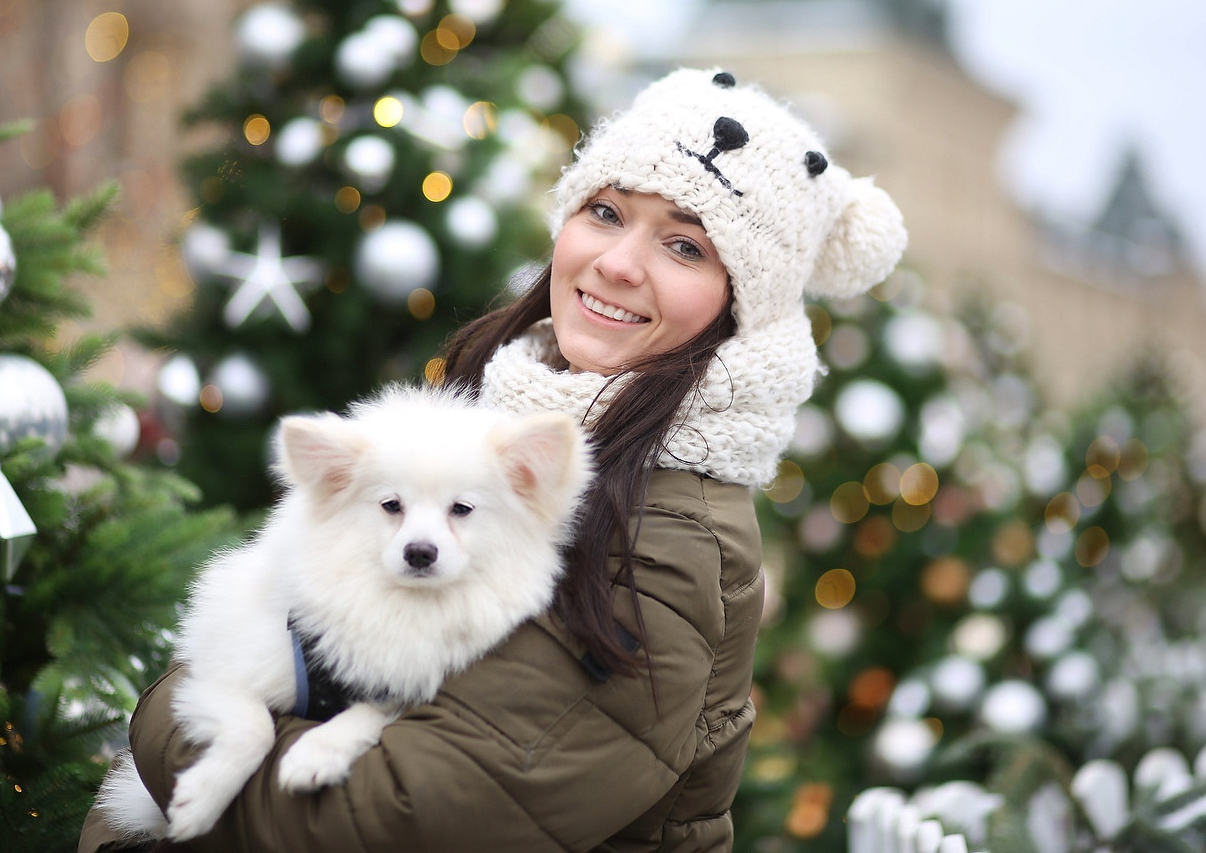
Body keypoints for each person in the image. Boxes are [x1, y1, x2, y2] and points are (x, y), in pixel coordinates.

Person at [78, 67, 906, 852]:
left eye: (686, 247)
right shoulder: (493, 421)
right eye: (607, 213)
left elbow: (393, 821)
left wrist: (170, 717)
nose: (618, 263)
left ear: (741, 305)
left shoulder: (667, 539)